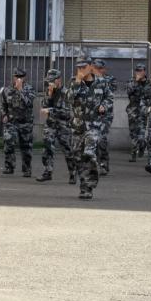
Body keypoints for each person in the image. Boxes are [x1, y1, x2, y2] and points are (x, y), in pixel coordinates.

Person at [69, 59, 110, 200]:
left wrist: (104, 105)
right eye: (79, 68)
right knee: (78, 157)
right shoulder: (74, 81)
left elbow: (109, 97)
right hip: (78, 126)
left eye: (83, 67)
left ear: (91, 67)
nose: (81, 70)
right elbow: (69, 99)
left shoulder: (102, 82)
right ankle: (84, 183)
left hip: (94, 125)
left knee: (89, 153)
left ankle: (88, 187)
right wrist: (77, 82)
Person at [37, 68, 75, 183]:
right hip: (51, 124)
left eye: (52, 81)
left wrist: (50, 110)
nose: (50, 83)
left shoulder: (67, 93)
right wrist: (49, 95)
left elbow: (67, 113)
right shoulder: (49, 91)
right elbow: (44, 106)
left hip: (63, 125)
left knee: (68, 150)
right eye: (49, 81)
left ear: (58, 80)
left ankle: (73, 173)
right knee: (47, 147)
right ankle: (47, 172)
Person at [0, 67, 35, 177]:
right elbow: (3, 105)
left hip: (25, 122)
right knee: (8, 142)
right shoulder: (7, 90)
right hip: (12, 122)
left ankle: (27, 169)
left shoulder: (29, 89)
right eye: (17, 77)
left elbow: (29, 103)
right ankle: (9, 166)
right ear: (13, 77)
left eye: (21, 77)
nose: (19, 79)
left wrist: (20, 90)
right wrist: (4, 115)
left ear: (24, 78)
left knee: (26, 147)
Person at [92, 58, 115, 175]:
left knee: (101, 138)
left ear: (104, 69)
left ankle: (103, 164)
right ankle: (95, 163)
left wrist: (104, 106)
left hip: (106, 115)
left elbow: (110, 95)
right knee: (93, 139)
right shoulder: (89, 80)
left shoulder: (108, 80)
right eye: (96, 68)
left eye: (100, 68)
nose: (98, 70)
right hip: (92, 115)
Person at [125, 64, 150, 162]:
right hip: (132, 111)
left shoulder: (149, 83)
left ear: (144, 71)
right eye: (137, 71)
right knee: (133, 133)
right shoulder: (131, 81)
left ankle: (142, 146)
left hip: (143, 111)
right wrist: (136, 81)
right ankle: (133, 154)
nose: (139, 72)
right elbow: (129, 91)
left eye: (141, 70)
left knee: (141, 134)